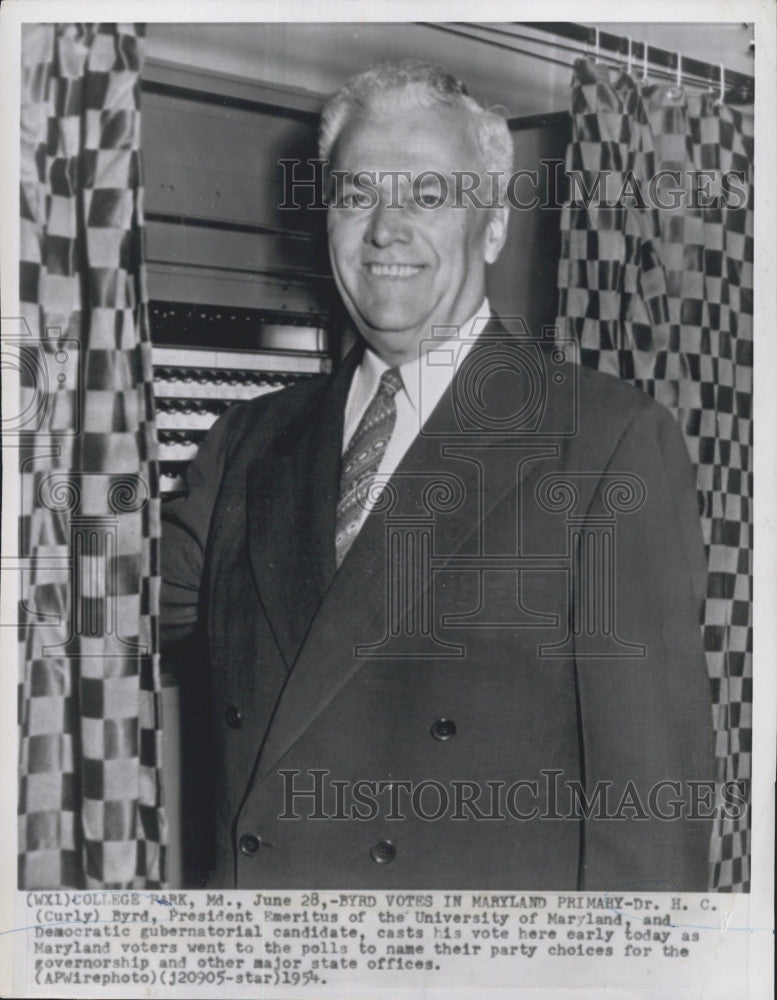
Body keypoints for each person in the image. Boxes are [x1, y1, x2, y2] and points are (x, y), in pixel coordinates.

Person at [161, 61, 715, 890]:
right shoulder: (247, 439)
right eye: (354, 197)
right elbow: (98, 616)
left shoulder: (606, 442)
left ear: (491, 227)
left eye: (426, 196)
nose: (384, 230)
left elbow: (650, 814)